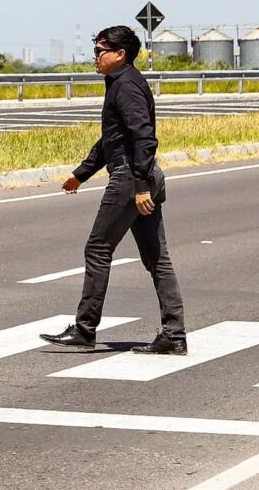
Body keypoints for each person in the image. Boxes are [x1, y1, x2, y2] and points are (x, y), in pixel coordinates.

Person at [42, 24, 187, 355]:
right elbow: (113, 139)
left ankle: (85, 328)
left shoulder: (127, 88)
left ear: (120, 55)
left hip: (130, 179)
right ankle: (174, 335)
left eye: (99, 51)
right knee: (157, 259)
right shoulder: (120, 83)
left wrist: (138, 185)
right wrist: (82, 173)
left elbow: (143, 137)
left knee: (97, 249)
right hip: (139, 177)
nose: (94, 56)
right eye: (95, 49)